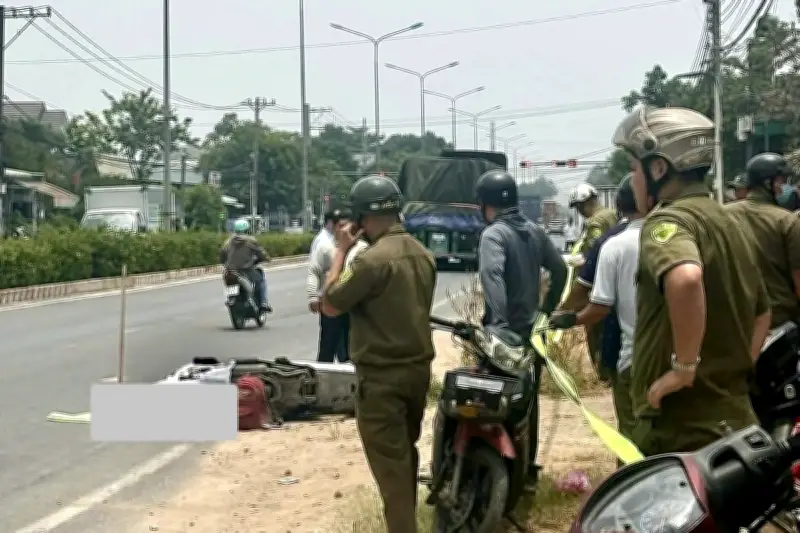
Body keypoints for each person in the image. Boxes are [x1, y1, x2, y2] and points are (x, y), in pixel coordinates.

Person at [612, 105, 771, 456]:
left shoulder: (669, 221)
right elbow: (762, 313)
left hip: (683, 426)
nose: (633, 179)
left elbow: (685, 279)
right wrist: (732, 373)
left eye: (635, 169)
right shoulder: (731, 221)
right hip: (735, 416)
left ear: (658, 168)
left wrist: (684, 370)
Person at [321, 175, 436, 533]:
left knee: (392, 470)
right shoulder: (423, 254)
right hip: (417, 372)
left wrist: (341, 251)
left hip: (382, 379)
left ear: (362, 217)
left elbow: (330, 303)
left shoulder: (371, 261)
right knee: (405, 455)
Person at [474, 168, 568, 486]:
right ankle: (525, 470)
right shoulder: (534, 232)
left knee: (490, 401)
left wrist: (497, 326)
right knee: (527, 402)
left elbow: (492, 276)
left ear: (485, 205)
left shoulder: (493, 235)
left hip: (504, 337)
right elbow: (561, 270)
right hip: (532, 335)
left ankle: (490, 470)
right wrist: (546, 311)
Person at [550, 174, 645, 445]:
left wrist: (568, 317)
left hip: (607, 307)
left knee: (629, 429)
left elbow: (597, 305)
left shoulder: (606, 234)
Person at [725, 153, 800, 327]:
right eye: (781, 183)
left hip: (733, 321)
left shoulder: (721, 215)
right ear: (768, 183)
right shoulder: (787, 221)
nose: (783, 189)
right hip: (779, 322)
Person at [562, 183, 618, 380]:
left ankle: (603, 374)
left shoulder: (595, 222)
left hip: (596, 288)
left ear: (585, 204)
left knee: (595, 332)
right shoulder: (613, 214)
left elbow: (593, 255)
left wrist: (572, 261)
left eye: (578, 207)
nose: (579, 211)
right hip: (615, 284)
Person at [307, 209, 368, 363]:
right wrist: (313, 296)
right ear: (333, 227)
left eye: (349, 226)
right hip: (330, 304)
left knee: (350, 348)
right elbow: (314, 271)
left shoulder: (362, 249)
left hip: (353, 306)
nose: (345, 230)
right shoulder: (325, 247)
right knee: (327, 346)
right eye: (341, 226)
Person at [220, 219, 272, 313]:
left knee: (228, 283)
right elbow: (261, 253)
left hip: (230, 272)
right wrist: (267, 259)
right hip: (246, 270)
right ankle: (263, 303)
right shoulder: (251, 241)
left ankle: (232, 298)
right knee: (261, 280)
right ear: (247, 230)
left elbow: (222, 256)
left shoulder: (227, 242)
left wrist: (226, 265)